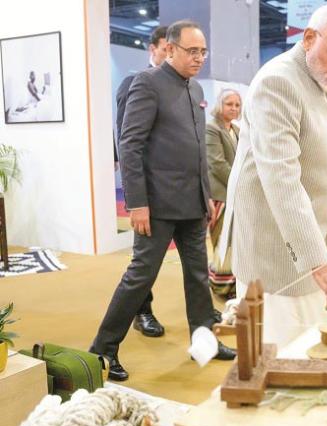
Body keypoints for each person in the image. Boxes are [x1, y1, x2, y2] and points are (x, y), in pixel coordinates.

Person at [91, 20, 236, 382]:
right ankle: (103, 349)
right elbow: (130, 144)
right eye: (192, 51)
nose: (199, 58)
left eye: (203, 51)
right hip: (155, 207)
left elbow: (198, 151)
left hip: (192, 204)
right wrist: (136, 203)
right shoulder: (147, 84)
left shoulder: (194, 88)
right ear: (169, 49)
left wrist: (207, 198)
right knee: (140, 276)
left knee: (198, 276)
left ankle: (205, 340)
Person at [219, 2, 327, 349]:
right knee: (284, 354)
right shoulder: (278, 81)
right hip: (275, 251)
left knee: (310, 345)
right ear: (309, 37)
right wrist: (319, 262)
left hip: (304, 244)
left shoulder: (319, 78)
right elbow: (281, 180)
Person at [114, 25, 168, 338]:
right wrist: (136, 198)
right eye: (165, 48)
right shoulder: (134, 83)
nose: (169, 55)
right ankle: (142, 311)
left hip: (173, 189)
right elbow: (127, 141)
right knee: (143, 261)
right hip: (145, 188)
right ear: (153, 48)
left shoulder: (178, 88)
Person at [206, 89, 241, 296]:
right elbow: (217, 164)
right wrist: (239, 185)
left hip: (234, 194)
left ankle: (232, 282)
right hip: (220, 195)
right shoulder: (211, 128)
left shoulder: (235, 129)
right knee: (222, 241)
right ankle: (220, 286)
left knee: (234, 242)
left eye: (237, 104)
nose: (234, 108)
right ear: (220, 104)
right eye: (229, 104)